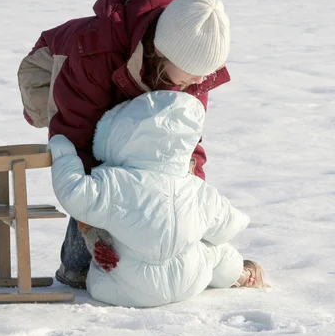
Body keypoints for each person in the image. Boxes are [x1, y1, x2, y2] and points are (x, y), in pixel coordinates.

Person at [17, 0, 232, 288]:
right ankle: (73, 268)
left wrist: (190, 212)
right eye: (192, 74)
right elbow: (76, 142)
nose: (200, 81)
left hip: (134, 71)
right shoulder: (92, 54)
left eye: (205, 74)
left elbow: (182, 142)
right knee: (108, 157)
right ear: (161, 52)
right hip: (54, 66)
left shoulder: (193, 68)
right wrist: (90, 226)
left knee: (149, 157)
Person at [47, 91, 268, 308]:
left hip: (125, 290)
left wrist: (64, 153)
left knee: (105, 272)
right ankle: (239, 274)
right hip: (188, 284)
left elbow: (73, 192)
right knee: (216, 250)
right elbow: (228, 227)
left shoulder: (114, 182)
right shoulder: (196, 188)